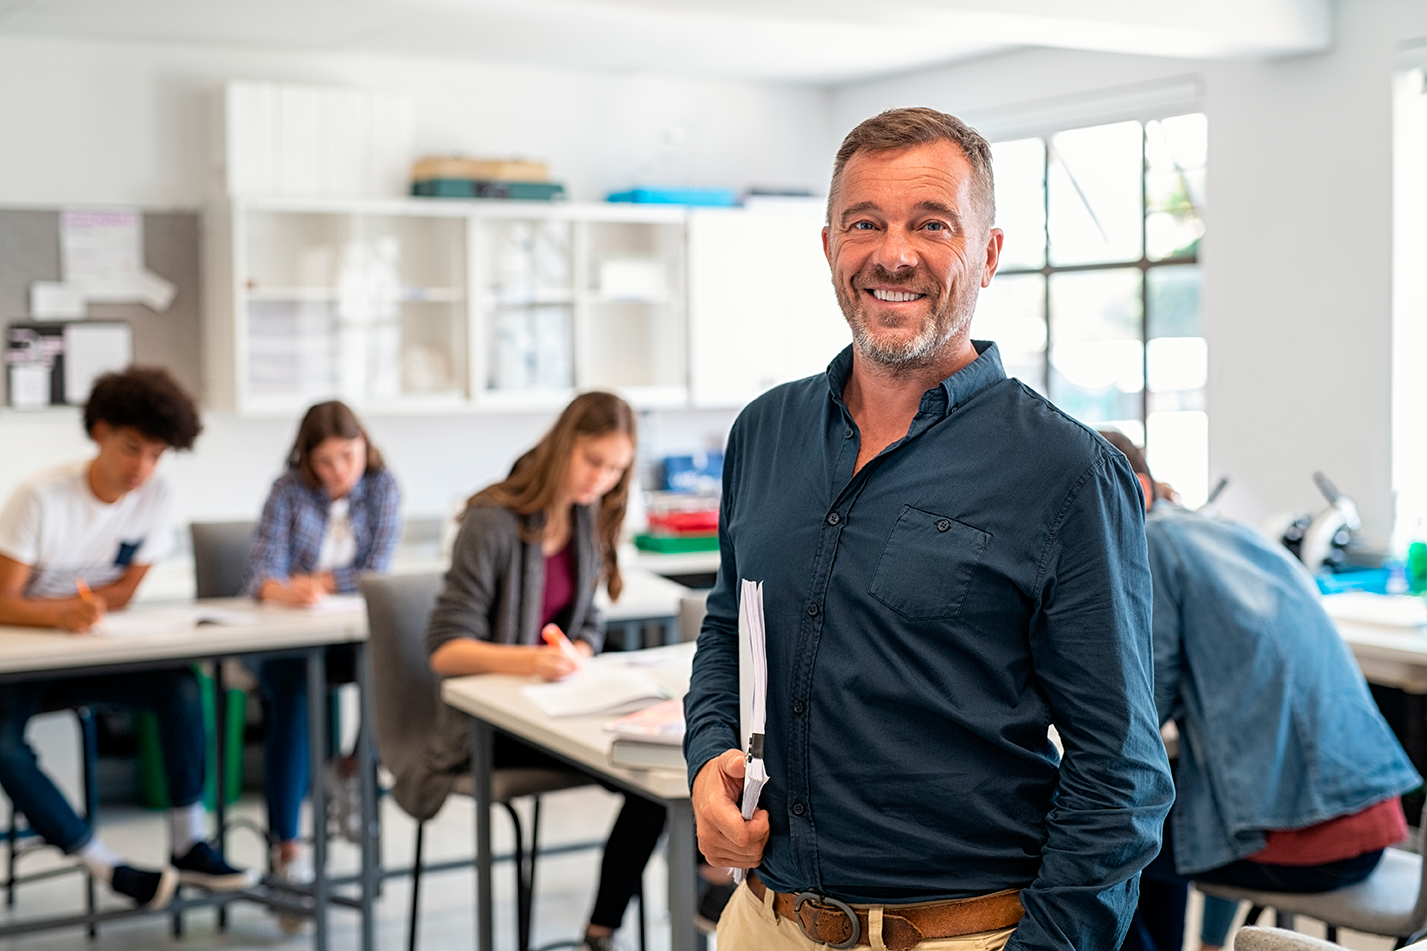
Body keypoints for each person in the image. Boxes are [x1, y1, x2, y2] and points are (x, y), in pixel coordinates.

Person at [682, 107, 1174, 951]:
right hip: (766, 921)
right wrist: (705, 762)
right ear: (829, 244)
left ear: (986, 252)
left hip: (960, 934)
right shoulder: (763, 431)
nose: (892, 254)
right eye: (863, 223)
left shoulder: (1066, 471)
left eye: (930, 224)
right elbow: (731, 626)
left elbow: (1119, 771)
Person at [1098, 432, 1421, 951]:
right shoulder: (1225, 533)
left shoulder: (1150, 543)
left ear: (1133, 489)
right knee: (1175, 801)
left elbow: (1140, 711)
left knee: (1118, 842)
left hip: (1315, 837)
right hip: (1375, 819)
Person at [0, 366, 253, 909]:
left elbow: (124, 591)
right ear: (100, 432)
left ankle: (189, 844)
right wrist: (61, 615)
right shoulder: (39, 497)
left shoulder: (156, 495)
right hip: (22, 663)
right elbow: (4, 602)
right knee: (2, 745)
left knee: (181, 688)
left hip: (89, 655)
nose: (141, 467)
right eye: (131, 448)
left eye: (156, 454)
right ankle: (104, 865)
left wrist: (81, 613)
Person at [422, 391, 666, 951]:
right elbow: (445, 649)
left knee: (662, 769)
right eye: (592, 462)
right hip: (492, 726)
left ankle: (603, 930)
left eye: (615, 469)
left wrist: (577, 647)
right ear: (563, 447)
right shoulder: (492, 521)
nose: (600, 480)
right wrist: (531, 660)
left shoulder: (584, 519)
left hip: (558, 706)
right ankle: (616, 928)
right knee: (651, 776)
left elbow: (588, 622)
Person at [242, 400, 401, 926]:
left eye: (348, 457)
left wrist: (321, 582)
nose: (339, 471)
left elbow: (377, 568)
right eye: (326, 461)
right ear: (306, 459)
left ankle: (353, 769)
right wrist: (278, 590)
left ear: (364, 447)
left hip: (350, 636)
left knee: (398, 668)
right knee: (290, 693)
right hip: (289, 637)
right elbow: (264, 570)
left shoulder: (382, 487)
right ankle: (289, 850)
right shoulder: (286, 491)